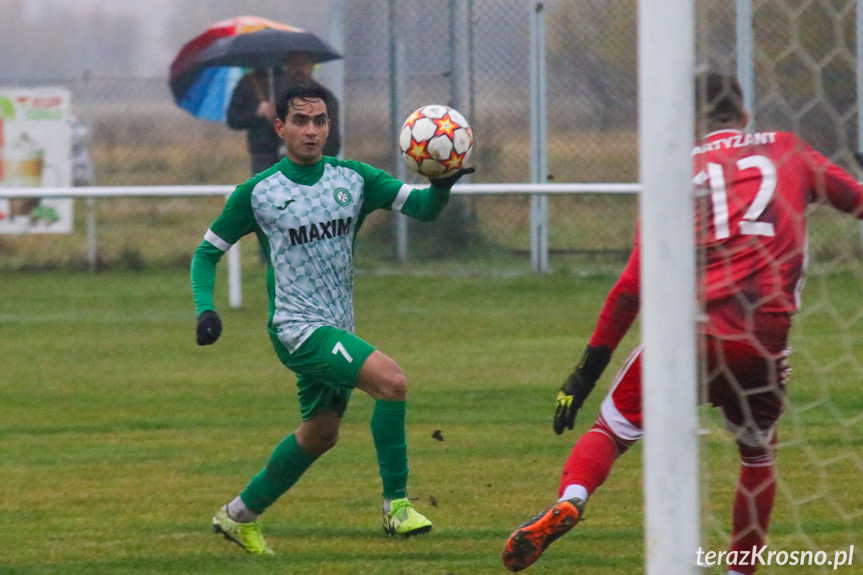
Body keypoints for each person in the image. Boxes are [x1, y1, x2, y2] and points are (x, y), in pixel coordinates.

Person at [501, 72, 863, 574]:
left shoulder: (674, 172)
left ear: (693, 124)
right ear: (745, 115)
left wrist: (584, 372)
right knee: (757, 457)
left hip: (688, 336)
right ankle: (739, 571)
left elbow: (631, 287)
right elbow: (859, 201)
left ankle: (573, 499)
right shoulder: (788, 150)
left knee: (612, 430)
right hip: (764, 338)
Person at [192, 84, 473, 555]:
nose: (311, 130)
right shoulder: (258, 193)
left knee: (320, 434)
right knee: (392, 382)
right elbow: (206, 254)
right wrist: (206, 308)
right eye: (300, 121)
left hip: (338, 326)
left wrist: (442, 184)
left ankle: (238, 515)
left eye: (320, 121)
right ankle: (397, 507)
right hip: (297, 328)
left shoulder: (354, 179)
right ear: (279, 127)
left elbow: (422, 209)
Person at [227, 52, 341, 174]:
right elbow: (234, 119)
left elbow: (332, 138)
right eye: (294, 64)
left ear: (312, 66)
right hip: (266, 159)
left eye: (304, 64)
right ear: (286, 65)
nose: (299, 69)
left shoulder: (325, 98)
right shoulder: (265, 89)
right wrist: (258, 114)